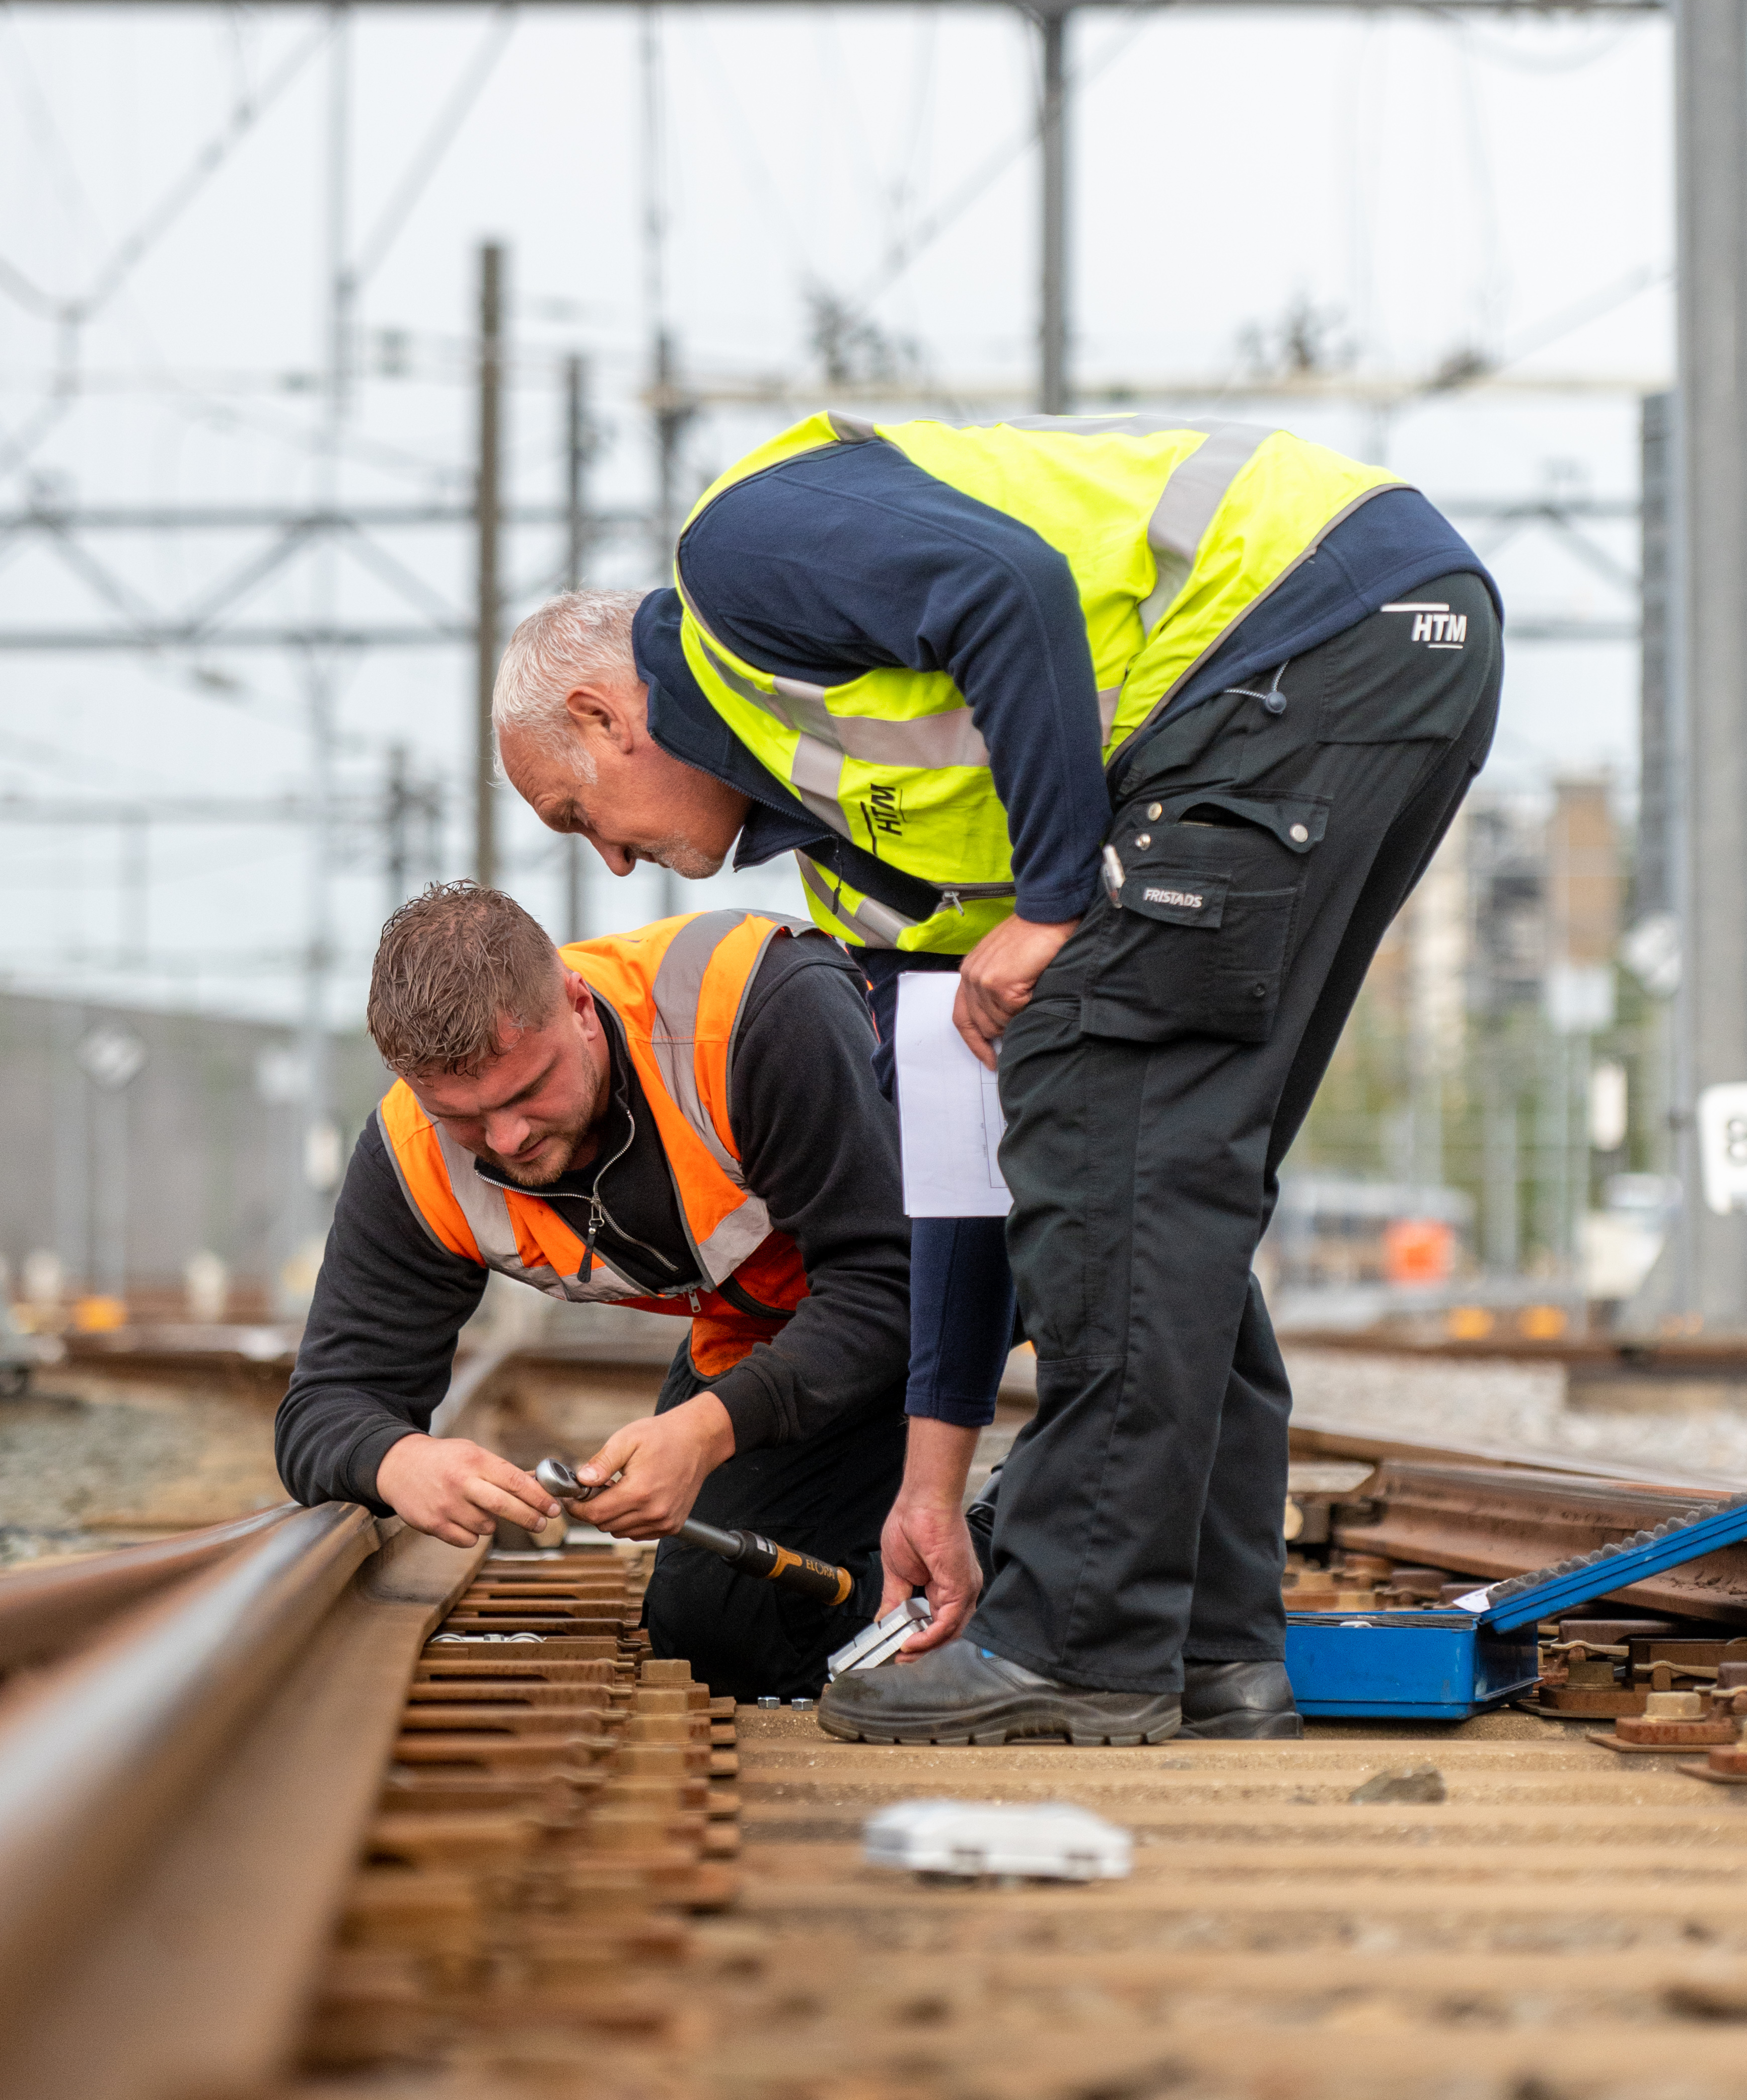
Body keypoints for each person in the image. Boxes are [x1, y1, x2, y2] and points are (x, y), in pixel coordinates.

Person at [493, 410, 1503, 1746]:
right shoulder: (865, 860)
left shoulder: (740, 557)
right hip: (1357, 658)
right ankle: (1211, 1650)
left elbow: (1006, 584)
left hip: (1302, 633)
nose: (610, 869)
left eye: (578, 816)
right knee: (1160, 1173)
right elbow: (969, 1179)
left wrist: (1050, 895)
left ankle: (1083, 1643)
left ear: (600, 715)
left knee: (1112, 1142)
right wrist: (931, 1481)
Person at [275, 881, 914, 1700]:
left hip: (975, 1268)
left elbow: (893, 1280)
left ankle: (1023, 1541)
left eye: (526, 1090)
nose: (505, 1140)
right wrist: (400, 1460)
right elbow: (323, 1406)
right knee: (718, 1632)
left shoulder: (756, 1013)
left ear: (578, 1004)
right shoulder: (412, 1157)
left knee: (1081, 1535)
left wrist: (709, 1429)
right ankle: (909, 1604)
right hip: (781, 1325)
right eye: (463, 1116)